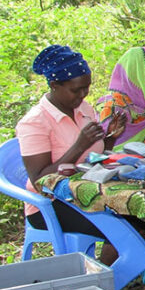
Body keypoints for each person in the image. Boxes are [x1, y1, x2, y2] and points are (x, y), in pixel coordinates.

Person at [16, 45, 127, 264]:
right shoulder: (34, 122)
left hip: (87, 192)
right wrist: (79, 145)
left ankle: (104, 276)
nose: (83, 95)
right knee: (124, 228)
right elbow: (40, 178)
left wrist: (112, 137)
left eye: (86, 88)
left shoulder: (83, 108)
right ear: (55, 85)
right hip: (51, 204)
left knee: (138, 219)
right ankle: (101, 281)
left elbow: (95, 156)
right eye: (76, 90)